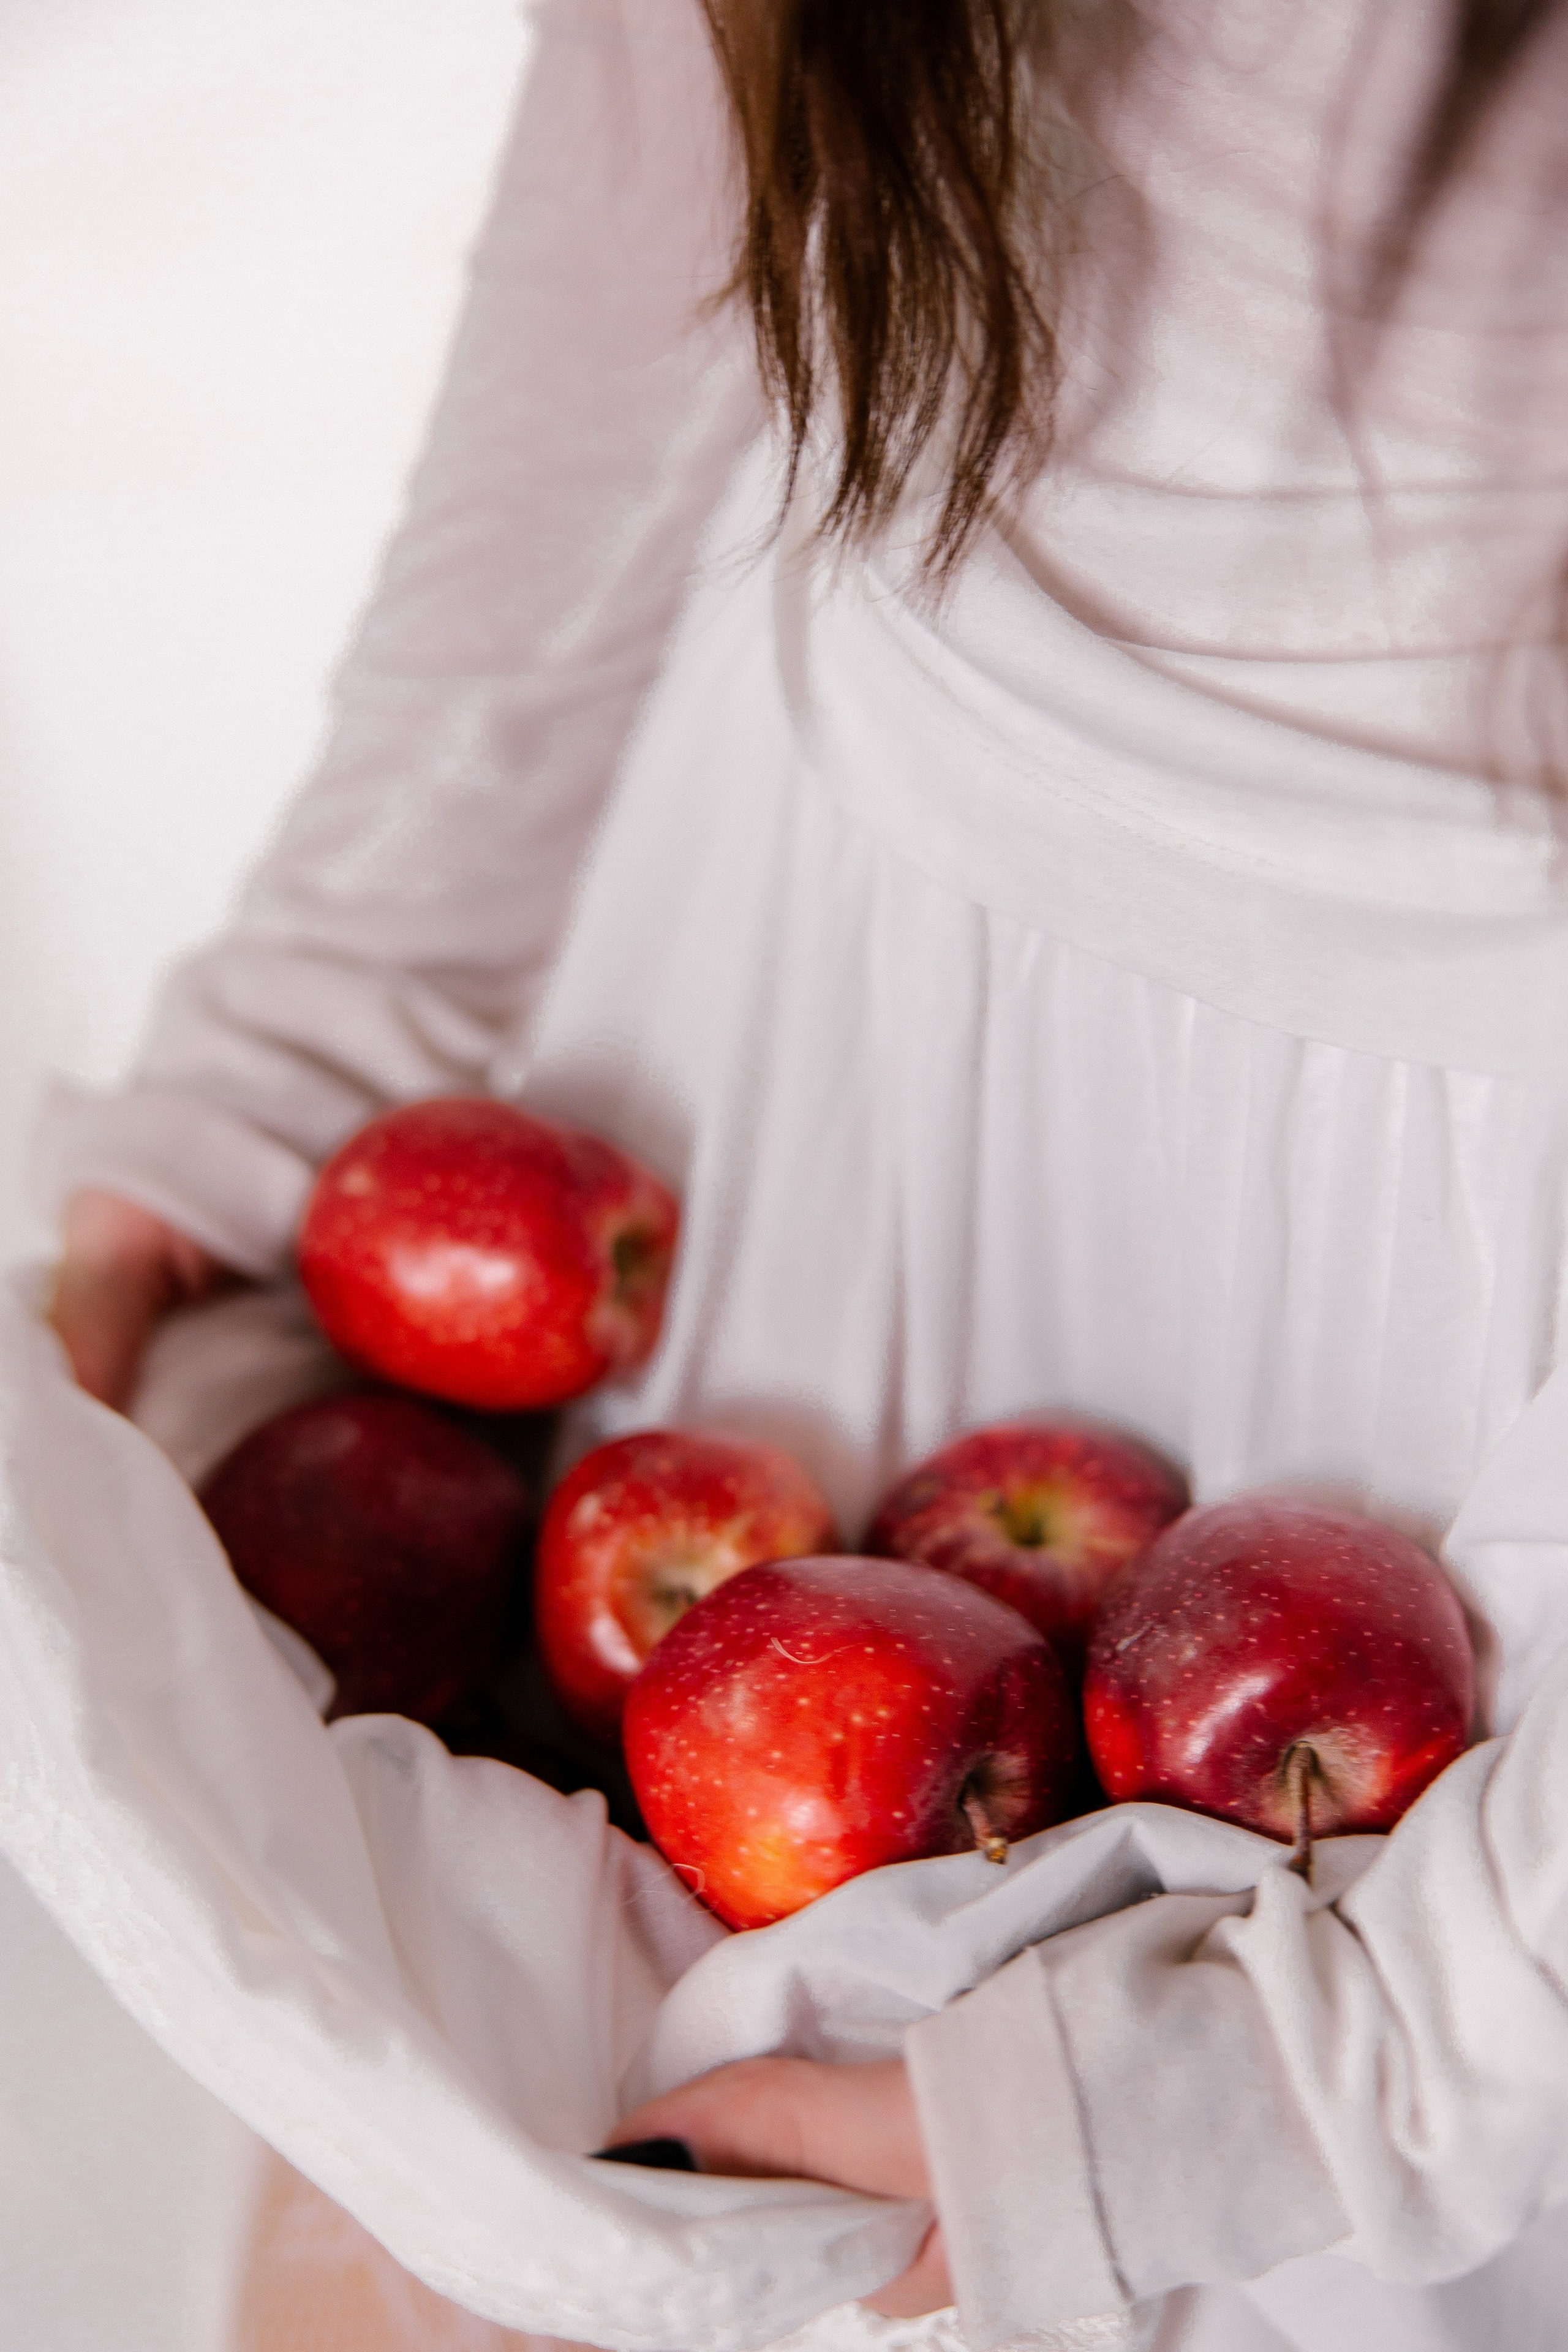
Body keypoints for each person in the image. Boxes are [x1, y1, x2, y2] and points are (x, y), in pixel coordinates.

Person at [43, 0, 1568, 2343]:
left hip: (1474, 1358)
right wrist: (282, 1074)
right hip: (795, 1032)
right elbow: (665, 255)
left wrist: (1305, 2084)